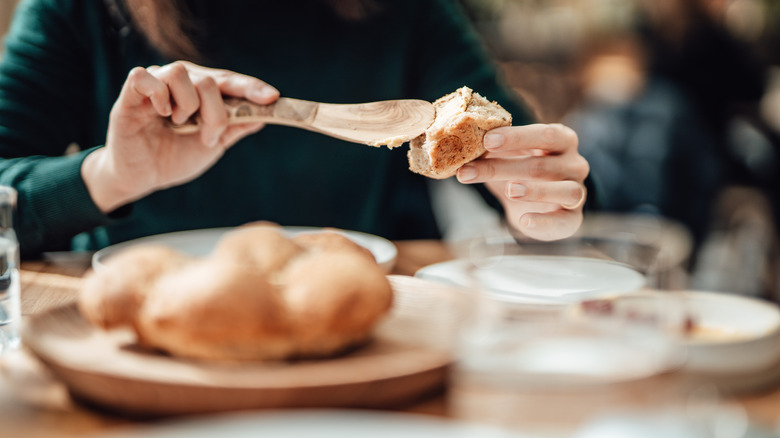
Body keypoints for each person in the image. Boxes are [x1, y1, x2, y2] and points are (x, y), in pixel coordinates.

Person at [0, 0, 589, 258]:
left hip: (355, 327)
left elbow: (540, 171)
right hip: (136, 332)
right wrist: (111, 175)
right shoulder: (74, 9)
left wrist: (537, 201)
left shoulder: (407, 11)